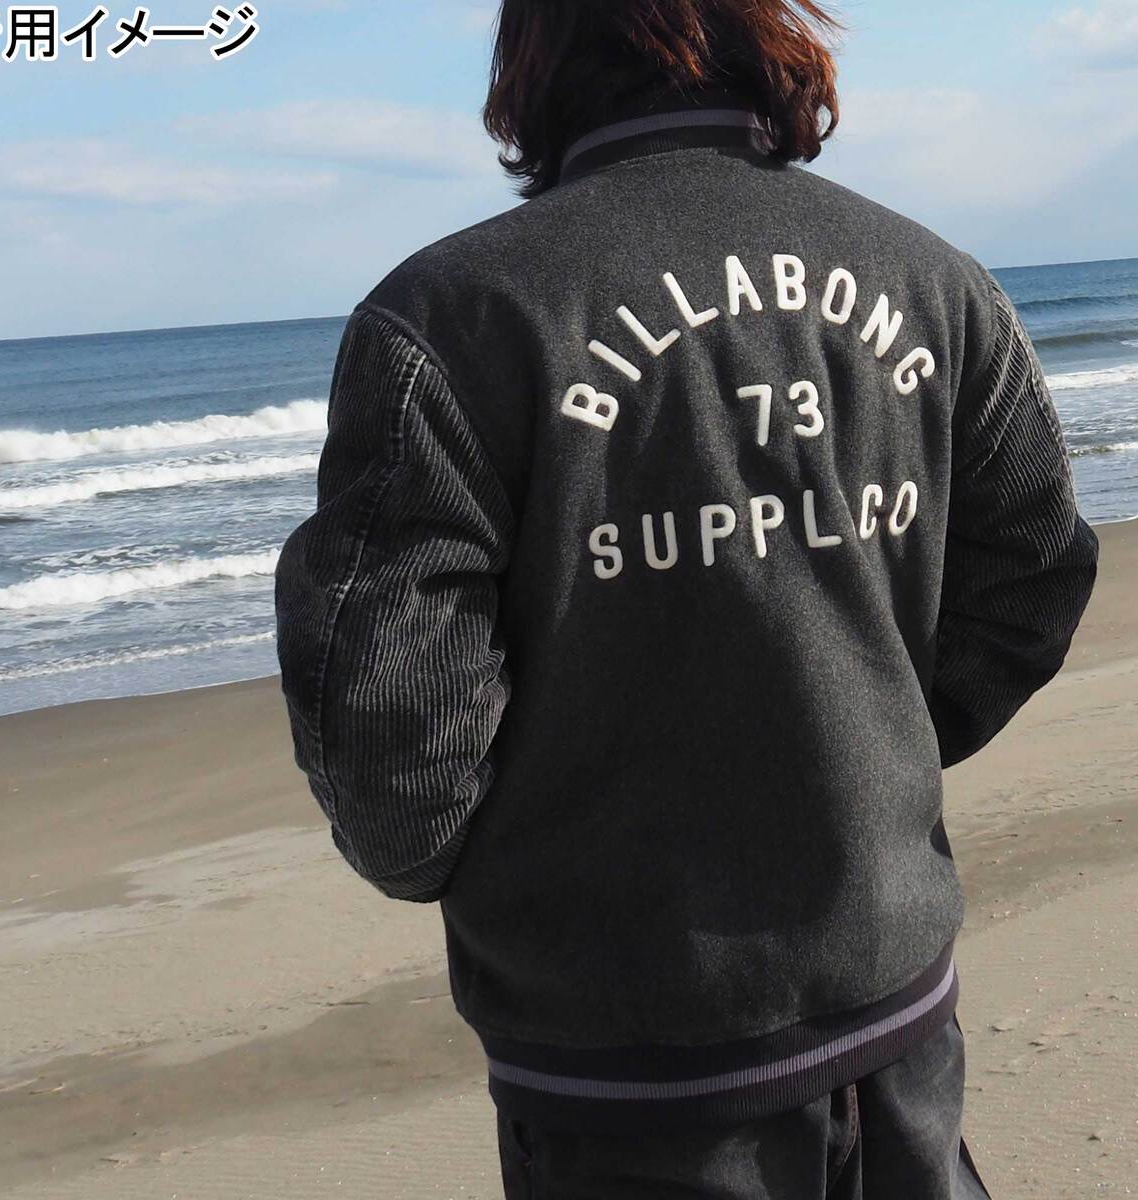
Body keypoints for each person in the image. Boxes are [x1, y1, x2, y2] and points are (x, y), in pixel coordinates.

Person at [273, 1, 1100, 1195]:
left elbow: (391, 741)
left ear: (532, 58)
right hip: (895, 1013)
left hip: (626, 1062)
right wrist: (865, 749)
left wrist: (507, 864)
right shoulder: (932, 280)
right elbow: (1030, 574)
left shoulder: (455, 315)